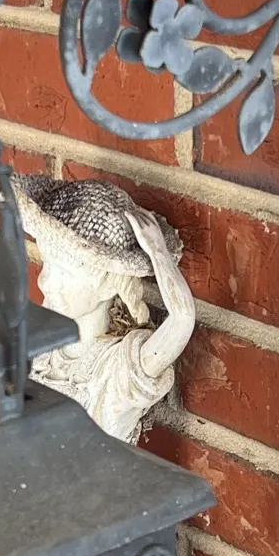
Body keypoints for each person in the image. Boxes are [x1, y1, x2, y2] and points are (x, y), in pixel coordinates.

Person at [14, 174, 195, 444]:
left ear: (109, 285)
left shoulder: (120, 369)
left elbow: (182, 319)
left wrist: (159, 254)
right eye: (47, 266)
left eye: (64, 274)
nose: (45, 282)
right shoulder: (43, 346)